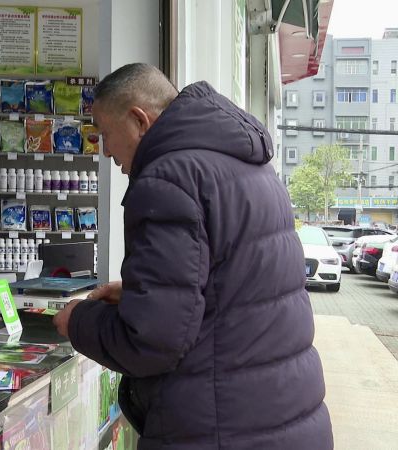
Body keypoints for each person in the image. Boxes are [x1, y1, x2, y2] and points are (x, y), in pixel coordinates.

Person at [52, 63, 333, 449]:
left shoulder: (167, 180)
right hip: (281, 413)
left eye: (104, 134)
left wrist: (78, 321)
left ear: (139, 121)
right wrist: (139, 294)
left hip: (220, 427)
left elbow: (151, 342)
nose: (105, 151)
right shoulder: (251, 166)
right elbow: (232, 286)